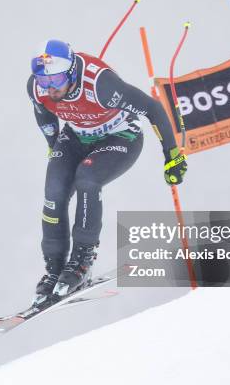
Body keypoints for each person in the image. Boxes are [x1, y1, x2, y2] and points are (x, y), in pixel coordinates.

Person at [27, 39, 187, 304]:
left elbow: (153, 108)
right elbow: (43, 113)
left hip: (120, 137)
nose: (50, 88)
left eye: (55, 80)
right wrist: (53, 145)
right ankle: (54, 269)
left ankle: (81, 262)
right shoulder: (37, 88)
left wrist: (172, 156)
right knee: (54, 191)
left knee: (87, 180)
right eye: (44, 81)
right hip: (77, 137)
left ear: (71, 73)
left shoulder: (101, 85)